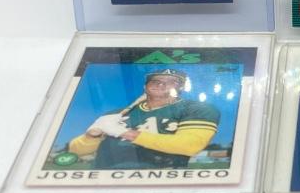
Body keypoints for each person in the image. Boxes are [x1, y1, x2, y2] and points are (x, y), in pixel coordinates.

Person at [66, 69, 219, 170]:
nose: (161, 84)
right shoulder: (115, 114)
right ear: (145, 87)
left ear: (181, 88)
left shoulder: (196, 109)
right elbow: (76, 150)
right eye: (155, 81)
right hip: (106, 178)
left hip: (161, 178)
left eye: (171, 81)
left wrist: (124, 132)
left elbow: (189, 145)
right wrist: (92, 136)